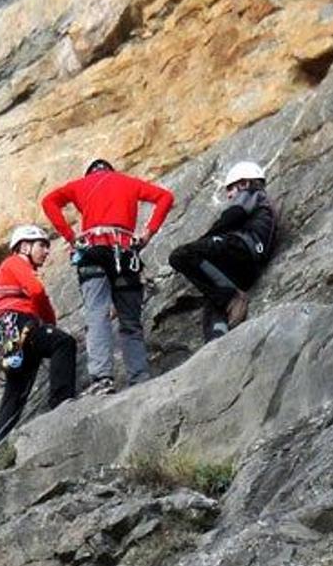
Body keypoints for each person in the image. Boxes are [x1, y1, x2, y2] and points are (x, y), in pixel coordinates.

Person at [41, 157, 175, 392]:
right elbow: (166, 197)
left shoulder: (79, 185)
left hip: (94, 251)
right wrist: (147, 234)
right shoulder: (128, 182)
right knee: (131, 322)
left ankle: (102, 378)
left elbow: (48, 202)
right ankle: (140, 378)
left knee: (97, 314)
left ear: (90, 173)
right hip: (125, 253)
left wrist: (71, 237)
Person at [167, 160, 279, 342]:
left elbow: (233, 214)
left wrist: (204, 240)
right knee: (213, 299)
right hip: (247, 269)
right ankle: (217, 341)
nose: (229, 195)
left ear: (244, 183)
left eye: (231, 189)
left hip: (240, 248)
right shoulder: (267, 206)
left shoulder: (252, 192)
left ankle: (233, 297)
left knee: (182, 255)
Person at [0, 224, 77, 443]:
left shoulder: (10, 269)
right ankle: (61, 402)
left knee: (16, 390)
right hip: (21, 324)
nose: (46, 251)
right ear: (25, 247)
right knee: (64, 343)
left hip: (11, 335)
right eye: (42, 246)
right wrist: (50, 323)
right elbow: (37, 292)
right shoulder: (14, 262)